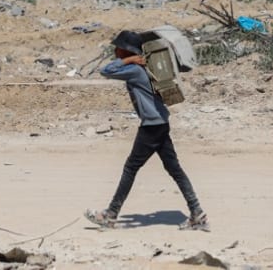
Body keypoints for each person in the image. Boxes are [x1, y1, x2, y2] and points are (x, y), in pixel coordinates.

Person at [84, 30, 208, 231]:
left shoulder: (134, 69)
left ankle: (110, 215)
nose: (115, 51)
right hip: (161, 122)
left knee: (130, 168)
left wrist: (128, 61)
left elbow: (105, 71)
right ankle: (197, 213)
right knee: (174, 169)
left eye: (118, 48)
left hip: (151, 126)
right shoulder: (146, 67)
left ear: (126, 50)